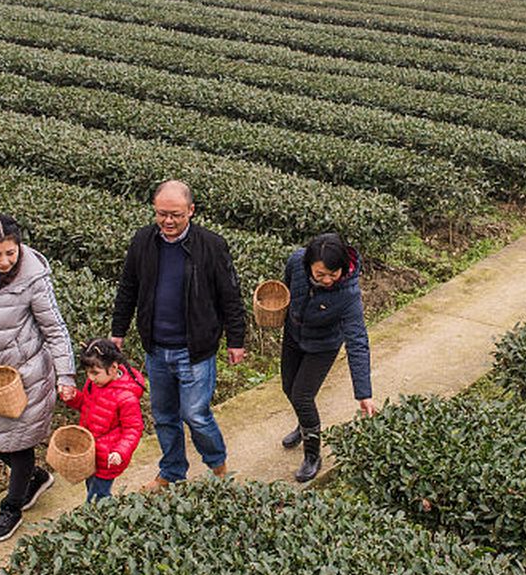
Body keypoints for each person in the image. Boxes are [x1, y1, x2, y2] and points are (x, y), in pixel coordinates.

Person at [111, 179, 246, 491]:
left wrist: (236, 340)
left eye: (176, 215)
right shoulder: (144, 241)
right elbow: (128, 288)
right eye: (161, 214)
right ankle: (171, 471)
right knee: (164, 415)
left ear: (191, 211)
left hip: (194, 349)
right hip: (157, 349)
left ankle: (217, 464)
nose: (168, 221)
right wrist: (119, 330)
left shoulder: (210, 245)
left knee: (195, 414)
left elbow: (230, 296)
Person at [0, 215, 76, 542]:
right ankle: (35, 478)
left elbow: (54, 329)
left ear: (19, 246)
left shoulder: (33, 279)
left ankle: (11, 507)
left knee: (20, 444)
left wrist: (65, 374)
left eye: (10, 252)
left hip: (28, 374)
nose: (5, 261)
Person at [279, 232, 375, 483]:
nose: (328, 280)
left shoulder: (348, 294)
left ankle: (312, 455)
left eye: (334, 274)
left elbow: (357, 341)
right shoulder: (296, 261)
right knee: (289, 388)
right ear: (308, 264)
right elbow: (287, 288)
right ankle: (303, 426)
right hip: (294, 334)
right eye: (320, 274)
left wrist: (363, 393)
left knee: (302, 395)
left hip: (323, 344)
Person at [60, 338, 147, 503]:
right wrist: (73, 398)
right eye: (87, 372)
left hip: (108, 457)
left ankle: (102, 521)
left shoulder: (126, 397)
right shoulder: (94, 384)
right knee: (92, 487)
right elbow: (87, 405)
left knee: (97, 497)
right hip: (91, 451)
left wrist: (120, 452)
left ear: (113, 368)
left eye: (95, 373)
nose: (90, 377)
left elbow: (133, 429)